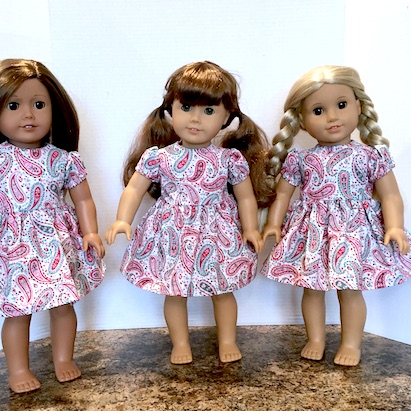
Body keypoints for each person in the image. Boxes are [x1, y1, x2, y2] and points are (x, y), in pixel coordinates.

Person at [106, 61, 275, 364]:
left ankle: (227, 340)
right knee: (174, 291)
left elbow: (245, 197)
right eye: (186, 107)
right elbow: (134, 189)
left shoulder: (229, 159)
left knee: (223, 290)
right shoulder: (159, 158)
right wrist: (122, 219)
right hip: (172, 233)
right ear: (170, 109)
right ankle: (180, 343)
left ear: (227, 117)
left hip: (217, 234)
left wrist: (250, 228)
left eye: (209, 110)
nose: (195, 119)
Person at [0, 59, 106, 392]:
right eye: (14, 106)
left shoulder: (63, 159)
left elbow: (83, 199)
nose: (28, 114)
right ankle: (17, 370)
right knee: (17, 310)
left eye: (39, 105)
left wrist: (90, 232)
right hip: (8, 244)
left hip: (54, 243)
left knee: (63, 304)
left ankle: (63, 359)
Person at [260, 65, 411, 366]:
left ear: (359, 106)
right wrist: (273, 224)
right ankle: (315, 338)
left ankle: (351, 343)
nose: (332, 117)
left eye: (341, 105)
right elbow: (284, 194)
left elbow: (391, 195)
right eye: (318, 110)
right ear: (302, 121)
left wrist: (395, 226)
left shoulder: (371, 155)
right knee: (311, 288)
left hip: (353, 232)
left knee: (350, 289)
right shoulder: (301, 159)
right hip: (312, 232)